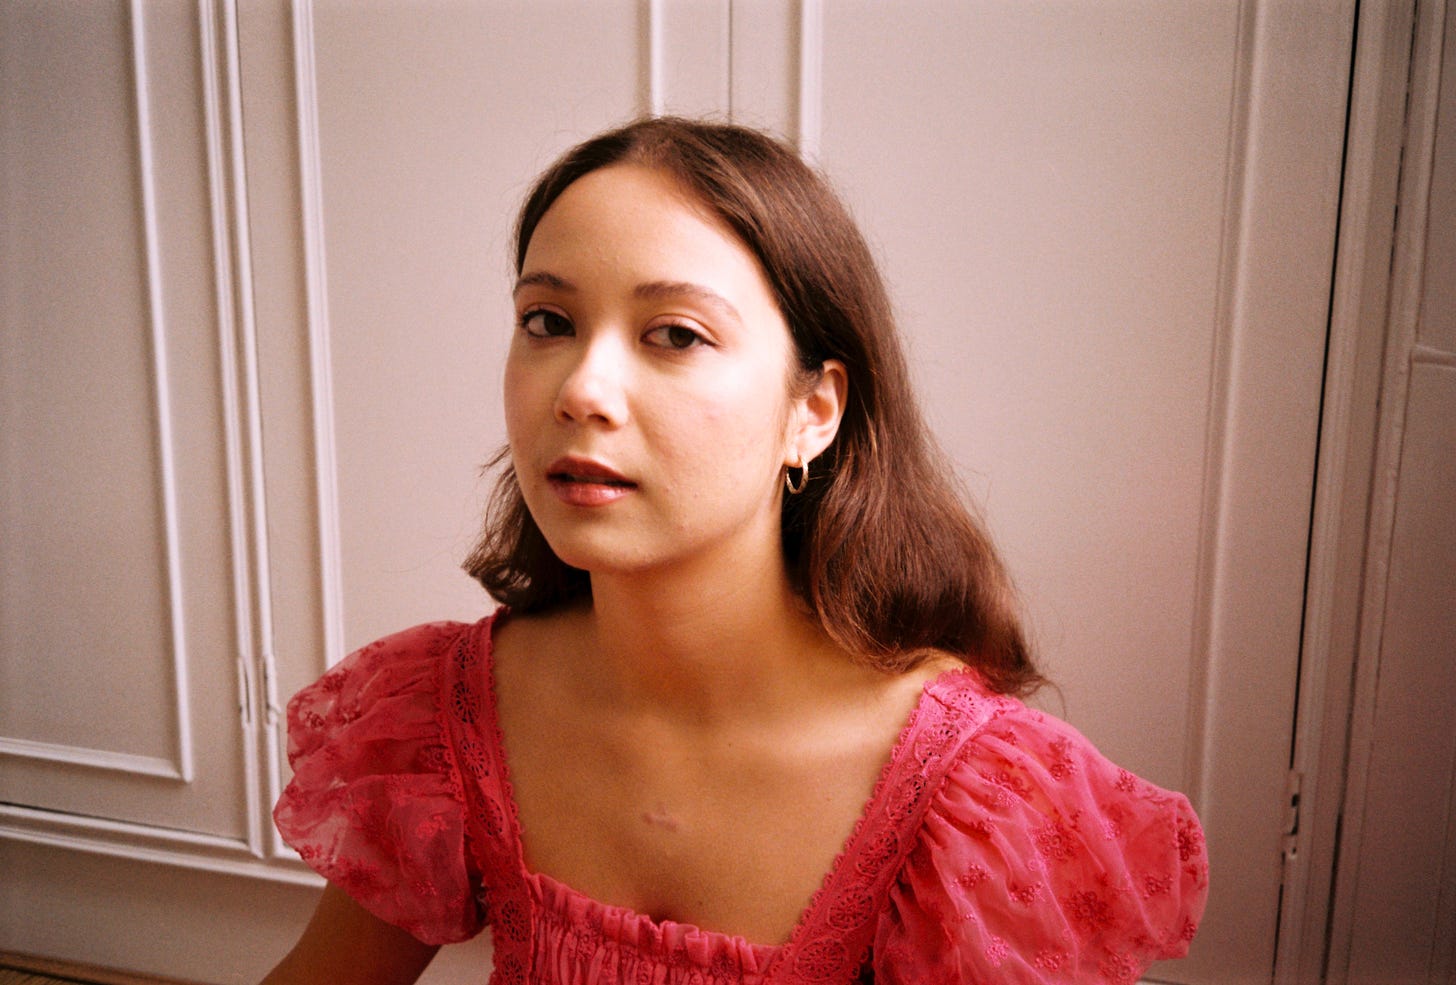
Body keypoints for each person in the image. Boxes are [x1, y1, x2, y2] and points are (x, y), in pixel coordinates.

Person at [263, 117, 1208, 985]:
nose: (581, 388)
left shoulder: (970, 799)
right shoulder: (448, 715)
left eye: (675, 334)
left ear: (815, 410)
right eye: (547, 322)